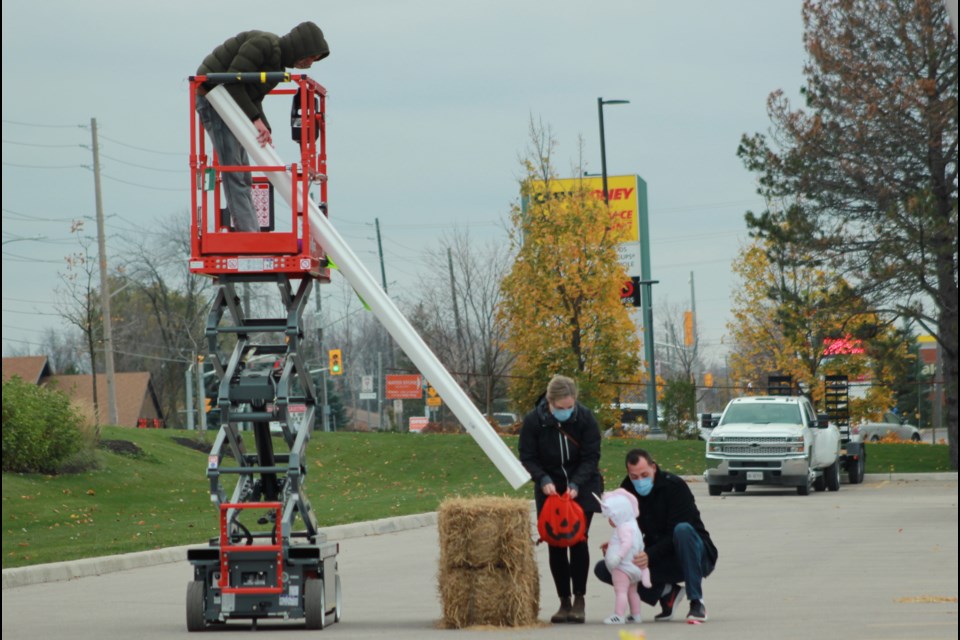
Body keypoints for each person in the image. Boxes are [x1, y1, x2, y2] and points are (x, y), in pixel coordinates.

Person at [196, 21, 330, 232]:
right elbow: (233, 82)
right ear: (300, 48)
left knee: (243, 173)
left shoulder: (276, 65)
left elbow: (252, 96)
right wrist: (255, 119)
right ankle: (249, 234)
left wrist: (264, 126)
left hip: (228, 103)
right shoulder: (264, 44)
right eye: (311, 56)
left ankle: (250, 230)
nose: (311, 63)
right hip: (214, 99)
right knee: (235, 171)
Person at [594, 448, 718, 624]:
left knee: (682, 530)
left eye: (644, 474)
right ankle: (668, 593)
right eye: (634, 477)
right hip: (658, 556)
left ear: (653, 467)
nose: (640, 481)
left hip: (694, 554)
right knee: (605, 568)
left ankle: (697, 602)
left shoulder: (674, 487)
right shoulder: (627, 491)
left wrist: (649, 555)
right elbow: (631, 528)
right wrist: (619, 545)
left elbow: (675, 532)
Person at [518, 375, 603, 624]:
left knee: (577, 539)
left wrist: (576, 484)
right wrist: (543, 479)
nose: (566, 412)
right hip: (550, 487)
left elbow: (591, 455)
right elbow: (527, 455)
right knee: (555, 541)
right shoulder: (535, 421)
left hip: (582, 485)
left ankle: (579, 599)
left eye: (570, 407)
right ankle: (563, 600)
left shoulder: (585, 418)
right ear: (549, 402)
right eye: (560, 408)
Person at [596, 489, 651, 625]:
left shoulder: (623, 527)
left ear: (619, 513)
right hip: (634, 567)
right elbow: (635, 544)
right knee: (633, 592)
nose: (610, 520)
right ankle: (635, 615)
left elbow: (626, 544)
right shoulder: (633, 525)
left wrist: (617, 557)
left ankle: (618, 615)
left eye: (611, 517)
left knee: (620, 591)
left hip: (622, 567)